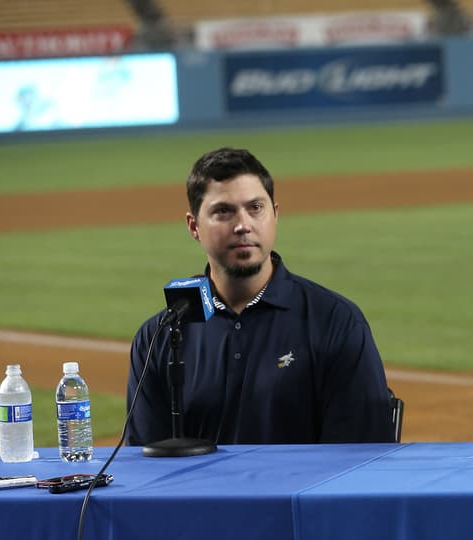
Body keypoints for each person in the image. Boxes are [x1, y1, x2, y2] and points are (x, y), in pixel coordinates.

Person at [127, 147, 394, 445]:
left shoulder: (335, 322)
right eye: (223, 212)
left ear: (275, 215)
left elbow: (362, 456)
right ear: (194, 226)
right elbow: (145, 466)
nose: (243, 226)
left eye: (255, 208)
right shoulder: (160, 337)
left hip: (297, 492)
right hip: (204, 494)